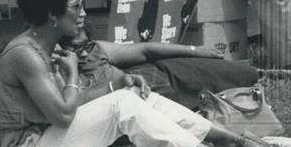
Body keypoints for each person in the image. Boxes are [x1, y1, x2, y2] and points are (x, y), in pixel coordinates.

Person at [0, 0, 264, 147]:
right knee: (123, 104)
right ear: (51, 15)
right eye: (76, 6)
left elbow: (73, 105)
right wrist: (71, 77)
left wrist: (120, 80)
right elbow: (62, 115)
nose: (83, 13)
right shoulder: (25, 55)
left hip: (40, 141)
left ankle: (231, 139)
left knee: (137, 97)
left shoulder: (44, 46)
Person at [62, 24, 260, 110]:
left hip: (164, 74)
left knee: (244, 74)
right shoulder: (60, 75)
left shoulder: (97, 49)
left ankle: (262, 77)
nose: (85, 54)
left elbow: (145, 50)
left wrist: (194, 50)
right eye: (76, 48)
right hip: (149, 100)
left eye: (86, 46)